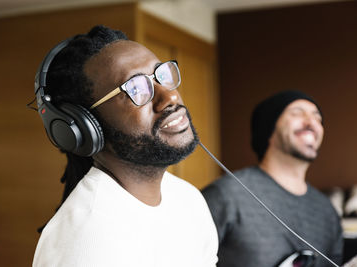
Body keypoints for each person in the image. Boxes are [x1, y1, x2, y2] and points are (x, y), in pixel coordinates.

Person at [32, 25, 218, 267]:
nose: (170, 97)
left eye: (162, 74)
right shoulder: (86, 240)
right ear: (86, 125)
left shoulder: (188, 198)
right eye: (136, 88)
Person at [202, 91, 341, 267]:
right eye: (297, 113)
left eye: (317, 118)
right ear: (269, 129)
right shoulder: (226, 194)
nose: (311, 122)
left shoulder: (327, 211)